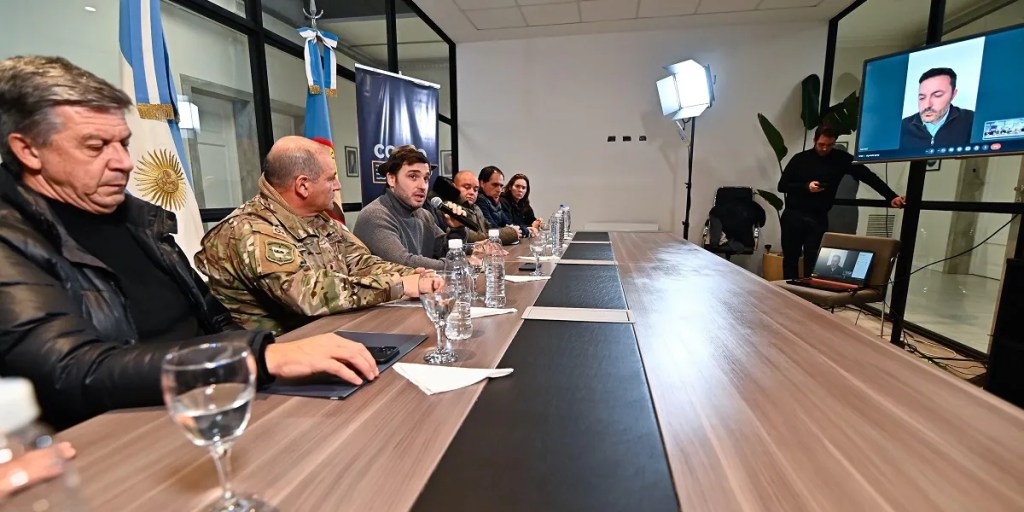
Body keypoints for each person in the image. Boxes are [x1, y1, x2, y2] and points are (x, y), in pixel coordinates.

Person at [0, 56, 379, 430]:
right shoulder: (12, 237)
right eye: (96, 146)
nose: (124, 163)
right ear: (28, 150)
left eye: (124, 143)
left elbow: (212, 317)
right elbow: (71, 370)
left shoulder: (138, 221)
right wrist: (259, 358)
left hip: (210, 395)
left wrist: (269, 364)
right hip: (116, 429)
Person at [197, 137, 422, 334]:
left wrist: (418, 276)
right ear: (303, 186)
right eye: (331, 178)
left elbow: (360, 262)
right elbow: (307, 295)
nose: (338, 185)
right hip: (276, 355)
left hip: (327, 333)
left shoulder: (316, 218)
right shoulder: (251, 230)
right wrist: (399, 285)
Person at [778, 126, 906, 279]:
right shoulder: (800, 159)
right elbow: (782, 186)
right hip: (794, 215)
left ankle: (808, 296)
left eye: (829, 145)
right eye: (821, 144)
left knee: (814, 260)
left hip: (818, 216)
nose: (825, 148)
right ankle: (787, 294)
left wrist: (891, 196)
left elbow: (868, 177)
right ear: (814, 141)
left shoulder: (841, 159)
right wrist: (806, 186)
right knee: (791, 258)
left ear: (834, 142)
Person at [352, 145, 467, 269]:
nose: (423, 186)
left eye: (426, 178)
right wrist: (457, 265)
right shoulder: (374, 215)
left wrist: (457, 230)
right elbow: (404, 263)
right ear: (391, 179)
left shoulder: (424, 215)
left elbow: (444, 253)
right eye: (413, 176)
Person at [900, 67, 975, 150]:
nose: (927, 105)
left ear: (953, 94)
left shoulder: (971, 120)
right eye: (922, 97)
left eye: (937, 95)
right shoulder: (903, 126)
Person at [452, 170, 520, 245]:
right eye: (467, 187)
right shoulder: (450, 209)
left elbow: (489, 229)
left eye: (476, 189)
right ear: (454, 187)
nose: (472, 192)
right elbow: (470, 237)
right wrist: (511, 232)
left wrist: (513, 230)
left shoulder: (476, 208)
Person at [476, 166, 527, 239]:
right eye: (495, 185)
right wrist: (521, 231)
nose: (499, 190)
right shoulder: (480, 200)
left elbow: (508, 223)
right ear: (482, 183)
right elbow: (492, 229)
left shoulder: (495, 200)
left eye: (501, 185)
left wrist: (526, 230)